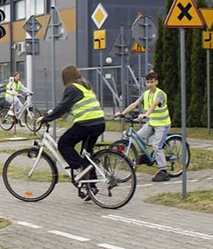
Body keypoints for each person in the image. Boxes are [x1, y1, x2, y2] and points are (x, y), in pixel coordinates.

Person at [37, 65, 105, 200]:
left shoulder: (72, 88)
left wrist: (46, 118)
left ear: (66, 77)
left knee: (63, 144)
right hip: (99, 123)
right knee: (86, 154)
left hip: (86, 124)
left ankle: (82, 169)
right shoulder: (85, 87)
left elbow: (63, 107)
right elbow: (68, 108)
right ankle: (91, 186)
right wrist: (52, 113)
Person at [116, 72, 172, 182]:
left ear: (156, 82)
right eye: (147, 82)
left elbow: (154, 105)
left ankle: (163, 171)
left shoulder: (160, 94)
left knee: (156, 146)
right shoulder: (146, 94)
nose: (150, 84)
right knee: (138, 137)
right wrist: (123, 113)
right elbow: (135, 104)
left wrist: (146, 114)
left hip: (162, 124)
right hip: (152, 123)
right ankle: (144, 156)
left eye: (152, 82)